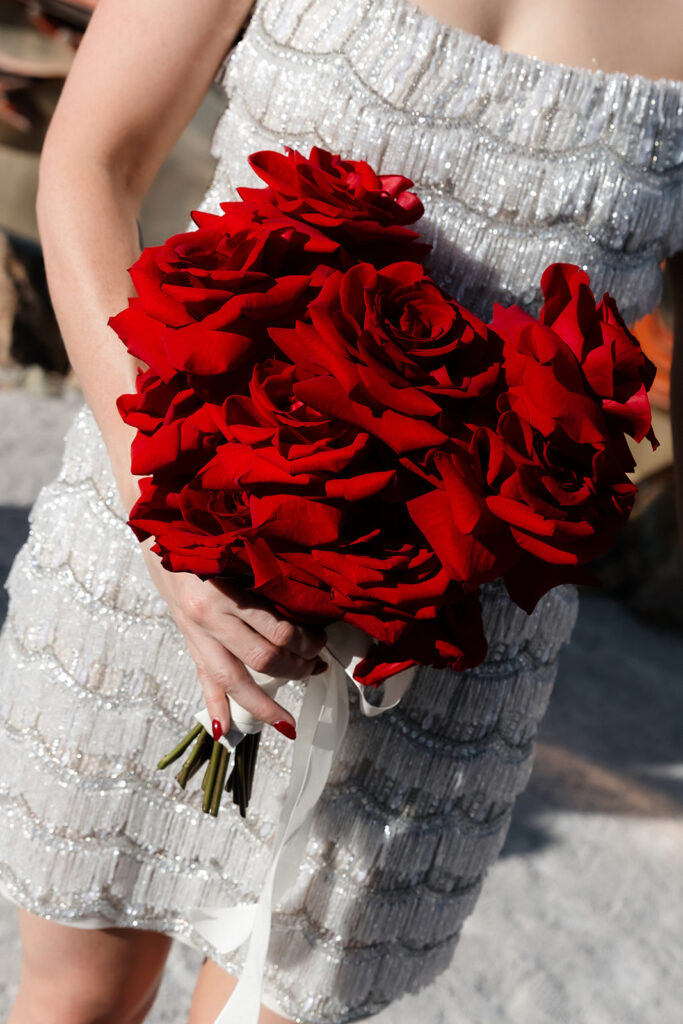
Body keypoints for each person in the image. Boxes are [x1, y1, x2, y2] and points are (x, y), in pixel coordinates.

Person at [1, 0, 682, 1021]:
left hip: (437, 661)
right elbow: (92, 161)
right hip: (163, 544)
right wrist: (170, 512)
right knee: (75, 1000)